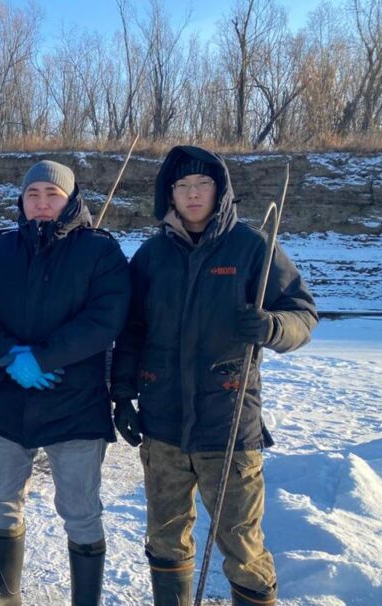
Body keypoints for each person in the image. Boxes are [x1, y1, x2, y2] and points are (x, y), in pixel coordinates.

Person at [110, 145, 318, 606]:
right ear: (169, 194)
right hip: (163, 424)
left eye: (202, 184)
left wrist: (273, 327)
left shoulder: (252, 247)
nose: (192, 193)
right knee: (164, 535)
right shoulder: (151, 256)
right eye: (182, 185)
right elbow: (131, 331)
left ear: (219, 190)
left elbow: (303, 314)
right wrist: (122, 393)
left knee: (242, 546)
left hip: (228, 423)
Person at [0, 160, 130, 605]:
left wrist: (44, 358)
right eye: (33, 194)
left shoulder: (100, 251)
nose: (42, 203)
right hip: (6, 400)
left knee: (80, 509)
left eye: (53, 194)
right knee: (1, 500)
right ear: (22, 200)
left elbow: (105, 319)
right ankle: (3, 593)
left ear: (70, 199)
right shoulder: (1, 249)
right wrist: (9, 354)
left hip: (75, 404)